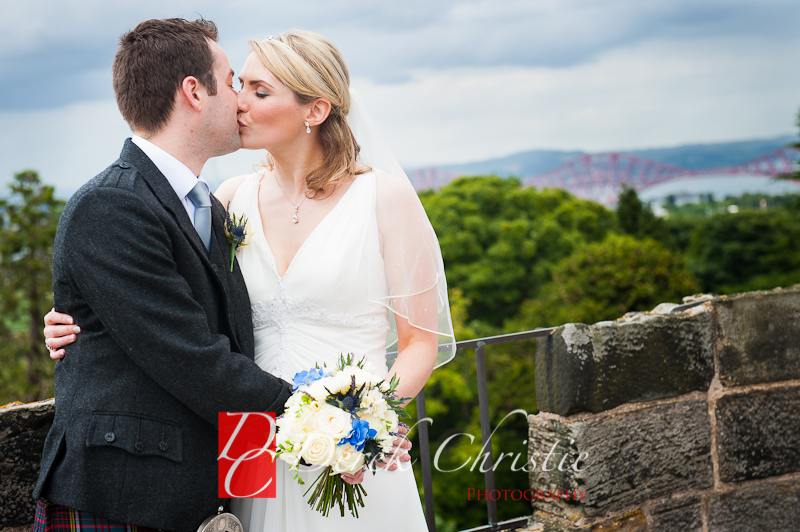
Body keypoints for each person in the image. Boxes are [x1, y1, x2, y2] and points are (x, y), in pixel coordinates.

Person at [45, 28, 456, 531]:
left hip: (354, 450)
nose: (239, 101)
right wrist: (86, 318)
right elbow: (177, 321)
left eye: (258, 91)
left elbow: (418, 342)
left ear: (315, 110)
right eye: (237, 84)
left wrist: (364, 423)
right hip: (256, 453)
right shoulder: (231, 198)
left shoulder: (384, 199)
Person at [32, 18, 297, 532]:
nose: (241, 98)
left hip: (198, 487)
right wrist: (314, 412)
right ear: (194, 92)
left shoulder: (211, 210)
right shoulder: (111, 205)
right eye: (232, 81)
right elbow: (188, 354)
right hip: (123, 493)